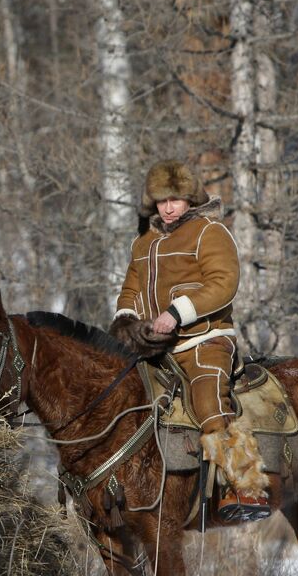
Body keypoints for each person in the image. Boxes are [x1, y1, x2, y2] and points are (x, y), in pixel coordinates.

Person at [108, 159, 270, 522]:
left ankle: (242, 485)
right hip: (151, 348)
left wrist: (177, 313)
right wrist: (126, 320)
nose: (168, 208)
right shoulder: (143, 242)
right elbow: (130, 289)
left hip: (205, 340)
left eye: (176, 200)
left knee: (207, 399)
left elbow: (223, 283)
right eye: (161, 200)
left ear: (190, 199)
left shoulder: (209, 232)